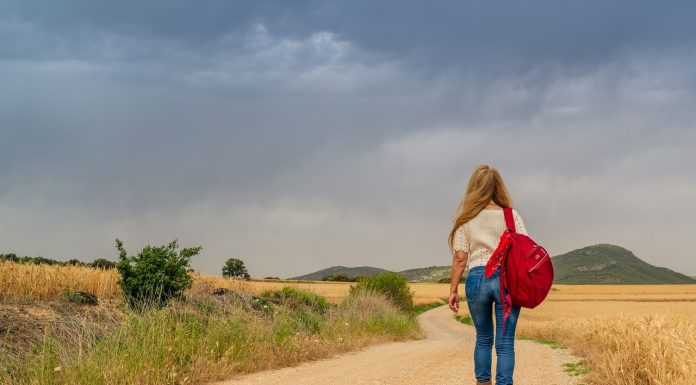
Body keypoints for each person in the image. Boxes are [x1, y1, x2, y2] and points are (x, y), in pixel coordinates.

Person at [447, 164, 528, 385]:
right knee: (505, 344)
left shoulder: (466, 220)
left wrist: (453, 289)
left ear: (474, 188)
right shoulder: (512, 216)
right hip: (506, 281)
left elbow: (460, 258)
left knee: (483, 339)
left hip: (476, 279)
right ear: (499, 188)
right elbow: (525, 249)